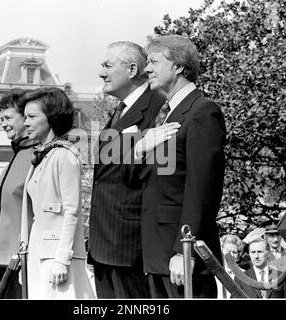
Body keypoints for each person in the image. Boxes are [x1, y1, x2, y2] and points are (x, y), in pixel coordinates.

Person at [134, 34, 226, 298]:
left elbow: (202, 189)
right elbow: (152, 178)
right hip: (158, 255)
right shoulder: (166, 116)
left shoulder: (202, 111)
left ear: (178, 67)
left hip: (182, 258)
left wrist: (184, 250)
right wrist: (139, 148)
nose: (146, 69)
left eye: (153, 61)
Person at [87, 41, 165, 299]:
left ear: (132, 69)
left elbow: (160, 175)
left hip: (130, 247)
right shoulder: (119, 111)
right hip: (105, 245)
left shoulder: (158, 106)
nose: (101, 73)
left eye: (107, 66)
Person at [21, 87, 94, 299]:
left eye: (32, 116)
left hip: (58, 257)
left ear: (51, 118)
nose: (26, 123)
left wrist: (62, 258)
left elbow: (72, 211)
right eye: (26, 117)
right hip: (38, 252)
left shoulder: (64, 156)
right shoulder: (44, 156)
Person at [0, 88, 37, 299]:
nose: (3, 123)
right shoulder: (17, 155)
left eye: (8, 117)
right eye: (2, 118)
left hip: (22, 263)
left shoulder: (37, 155)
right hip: (2, 261)